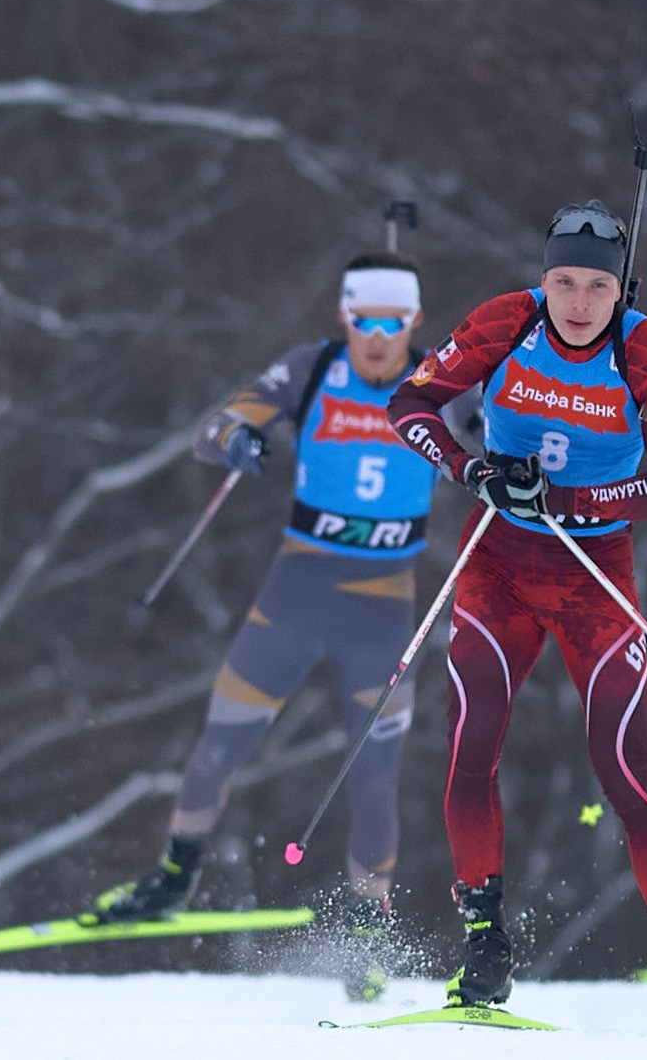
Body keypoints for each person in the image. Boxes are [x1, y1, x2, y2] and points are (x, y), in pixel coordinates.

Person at [388, 202, 647, 1031]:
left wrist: (572, 500)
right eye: (563, 282)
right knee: (471, 747)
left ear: (623, 290)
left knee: (624, 762)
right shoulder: (506, 323)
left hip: (593, 575)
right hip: (496, 564)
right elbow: (409, 404)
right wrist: (473, 472)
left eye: (598, 286)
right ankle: (483, 945)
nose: (578, 302)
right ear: (541, 281)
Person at [85, 251, 468, 1000]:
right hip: (294, 593)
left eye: (394, 322)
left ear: (416, 322)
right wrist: (236, 439)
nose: (378, 337)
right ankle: (172, 876)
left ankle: (367, 926)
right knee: (218, 745)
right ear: (345, 316)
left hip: (384, 609)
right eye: (365, 320)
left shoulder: (442, 383)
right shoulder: (312, 368)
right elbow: (215, 426)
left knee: (375, 773)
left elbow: (502, 433)